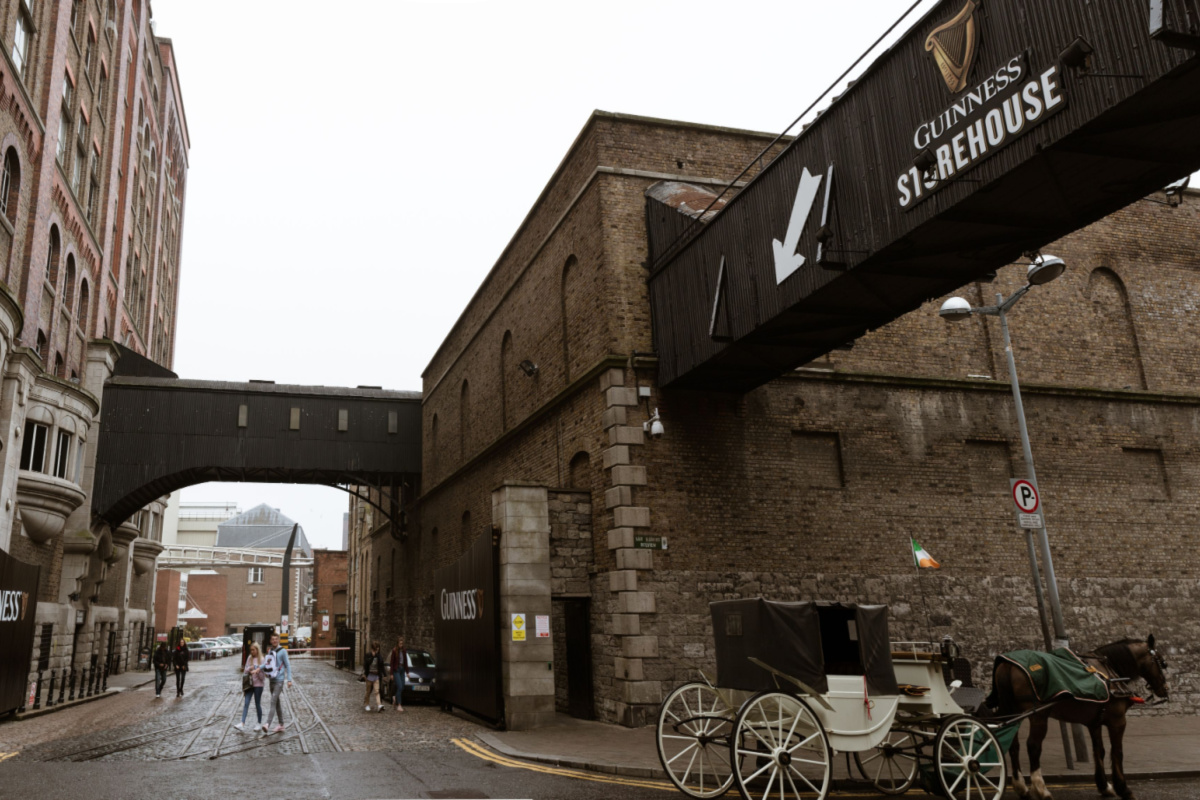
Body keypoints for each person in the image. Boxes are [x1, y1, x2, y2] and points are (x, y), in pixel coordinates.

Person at [261, 632, 293, 734]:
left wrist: (289, 679)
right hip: (272, 680)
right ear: (270, 641)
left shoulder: (283, 651)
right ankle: (281, 724)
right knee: (277, 703)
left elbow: (288, 665)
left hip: (279, 680)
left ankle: (267, 724)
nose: (274, 641)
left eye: (276, 639)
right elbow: (266, 664)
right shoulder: (270, 651)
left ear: (278, 640)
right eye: (272, 639)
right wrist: (258, 669)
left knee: (273, 701)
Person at [236, 642, 266, 731]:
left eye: (253, 650)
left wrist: (257, 670)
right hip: (249, 684)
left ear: (257, 650)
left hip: (258, 685)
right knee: (246, 703)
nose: (252, 652)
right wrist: (250, 668)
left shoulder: (262, 659)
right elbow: (245, 671)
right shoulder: (249, 658)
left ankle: (259, 723)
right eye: (251, 650)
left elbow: (262, 678)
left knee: (257, 704)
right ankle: (242, 723)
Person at [363, 641, 386, 712]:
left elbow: (382, 665)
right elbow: (366, 664)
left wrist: (384, 674)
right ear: (373, 648)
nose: (377, 650)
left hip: (376, 676)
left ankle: (379, 705)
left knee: (377, 691)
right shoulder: (368, 655)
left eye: (378, 648)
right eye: (376, 648)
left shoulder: (379, 656)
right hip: (369, 676)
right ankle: (366, 704)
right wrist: (372, 657)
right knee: (368, 691)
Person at [389, 635, 407, 712]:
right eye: (400, 643)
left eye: (402, 643)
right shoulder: (394, 650)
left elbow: (406, 662)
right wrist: (391, 674)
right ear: (397, 643)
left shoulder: (404, 651)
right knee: (399, 686)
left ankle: (395, 697)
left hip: (402, 670)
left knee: (402, 687)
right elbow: (392, 663)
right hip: (396, 670)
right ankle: (399, 705)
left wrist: (408, 672)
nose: (401, 645)